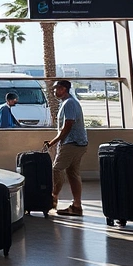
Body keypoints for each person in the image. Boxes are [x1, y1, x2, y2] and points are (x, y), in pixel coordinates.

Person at [45, 80, 88, 217]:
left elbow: (68, 125)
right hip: (79, 143)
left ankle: (52, 199)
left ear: (64, 89)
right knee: (73, 174)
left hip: (71, 143)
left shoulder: (69, 103)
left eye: (56, 89)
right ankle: (77, 206)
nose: (54, 91)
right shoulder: (69, 102)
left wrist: (53, 142)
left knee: (57, 169)